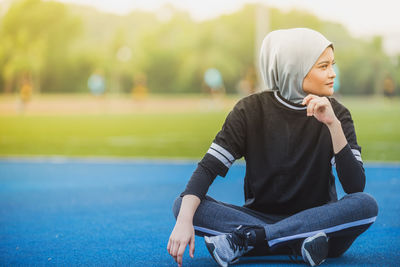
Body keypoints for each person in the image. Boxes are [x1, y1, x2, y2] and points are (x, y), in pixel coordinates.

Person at [167, 28, 378, 267]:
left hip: (318, 222)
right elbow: (207, 169)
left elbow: (355, 186)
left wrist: (333, 125)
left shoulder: (337, 114)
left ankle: (251, 240)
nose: (332, 74)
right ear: (294, 69)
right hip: (267, 220)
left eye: (332, 65)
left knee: (366, 204)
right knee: (183, 206)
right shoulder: (249, 110)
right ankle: (296, 244)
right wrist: (184, 220)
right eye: (323, 66)